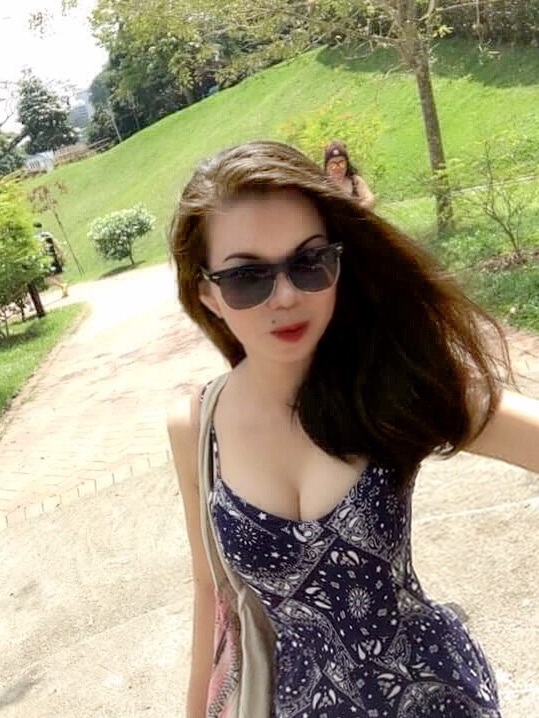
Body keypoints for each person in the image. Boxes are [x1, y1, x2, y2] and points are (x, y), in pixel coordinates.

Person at [167, 140, 539, 718]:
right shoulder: (197, 426)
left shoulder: (389, 386)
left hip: (434, 699)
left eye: (310, 262)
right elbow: (211, 591)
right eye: (247, 277)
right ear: (209, 294)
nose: (286, 295)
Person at [324, 140, 375, 210]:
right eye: (333, 164)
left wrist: (354, 209)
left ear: (347, 164)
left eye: (341, 163)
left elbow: (370, 199)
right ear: (327, 166)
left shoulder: (355, 181)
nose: (338, 168)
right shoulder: (322, 184)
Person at [34, 222, 68, 298]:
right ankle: (64, 291)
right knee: (57, 276)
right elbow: (56, 244)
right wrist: (61, 254)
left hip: (45, 260)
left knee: (46, 279)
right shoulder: (47, 234)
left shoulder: (36, 238)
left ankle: (62, 286)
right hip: (53, 257)